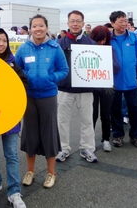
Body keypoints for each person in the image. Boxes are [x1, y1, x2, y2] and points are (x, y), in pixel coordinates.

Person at [15, 14, 68, 189]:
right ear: (30, 28)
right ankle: (30, 171)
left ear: (46, 28)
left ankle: (51, 173)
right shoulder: (23, 49)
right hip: (29, 97)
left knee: (49, 134)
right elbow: (17, 71)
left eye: (41, 26)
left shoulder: (54, 48)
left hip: (48, 96)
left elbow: (64, 70)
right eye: (34, 26)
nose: (38, 29)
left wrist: (51, 78)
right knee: (30, 134)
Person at [0, 28, 28, 208]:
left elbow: (24, 83)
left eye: (4, 40)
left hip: (9, 116)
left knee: (11, 155)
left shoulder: (12, 62)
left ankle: (15, 192)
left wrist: (9, 89)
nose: (1, 44)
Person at [56, 10, 98, 162]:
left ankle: (87, 148)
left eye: (78, 21)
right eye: (72, 21)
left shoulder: (91, 44)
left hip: (86, 89)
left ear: (83, 23)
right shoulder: (58, 44)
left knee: (87, 120)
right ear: (67, 23)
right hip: (64, 89)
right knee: (62, 121)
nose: (75, 24)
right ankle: (62, 148)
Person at [109, 11, 137, 149]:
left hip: (132, 81)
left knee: (134, 109)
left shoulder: (134, 38)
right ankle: (118, 135)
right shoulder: (108, 39)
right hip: (113, 81)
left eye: (125, 21)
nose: (124, 24)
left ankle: (135, 135)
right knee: (116, 110)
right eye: (121, 21)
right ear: (112, 23)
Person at [89, 25, 120, 152]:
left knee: (106, 115)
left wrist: (107, 58)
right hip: (92, 87)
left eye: (104, 40)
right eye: (99, 40)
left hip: (108, 86)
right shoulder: (88, 50)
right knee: (92, 115)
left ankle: (106, 139)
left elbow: (117, 68)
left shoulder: (110, 50)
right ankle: (89, 141)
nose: (101, 42)